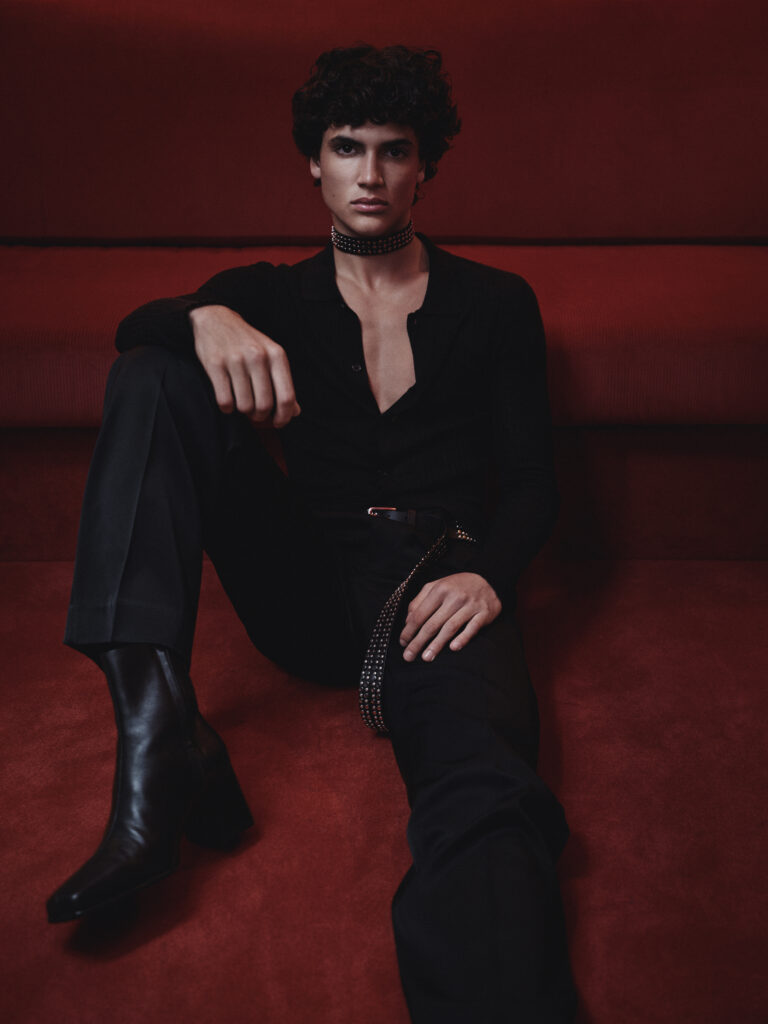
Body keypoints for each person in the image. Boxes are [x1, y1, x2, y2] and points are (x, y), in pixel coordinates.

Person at [46, 44, 578, 1023]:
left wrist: (490, 578)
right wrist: (201, 315)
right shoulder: (273, 293)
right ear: (314, 162)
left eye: (393, 150)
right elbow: (137, 328)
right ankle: (155, 732)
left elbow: (536, 484)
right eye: (346, 148)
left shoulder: (497, 302)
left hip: (436, 588)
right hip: (306, 584)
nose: (369, 174)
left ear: (425, 168)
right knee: (153, 370)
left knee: (485, 787)